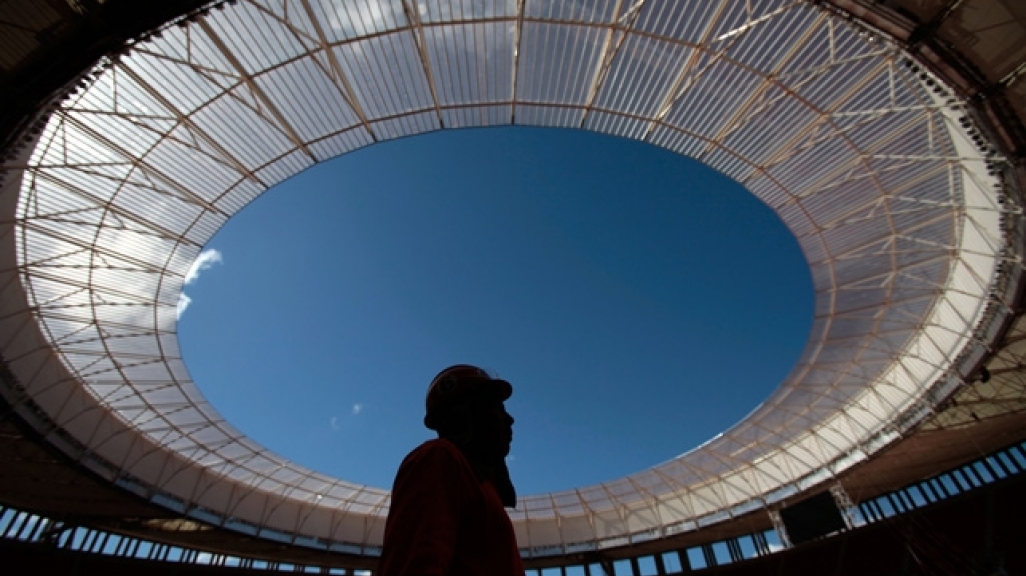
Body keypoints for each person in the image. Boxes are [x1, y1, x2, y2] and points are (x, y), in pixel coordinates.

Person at [377, 364, 522, 576]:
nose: (510, 419)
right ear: (466, 414)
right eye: (496, 408)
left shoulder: (482, 484)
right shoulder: (439, 458)